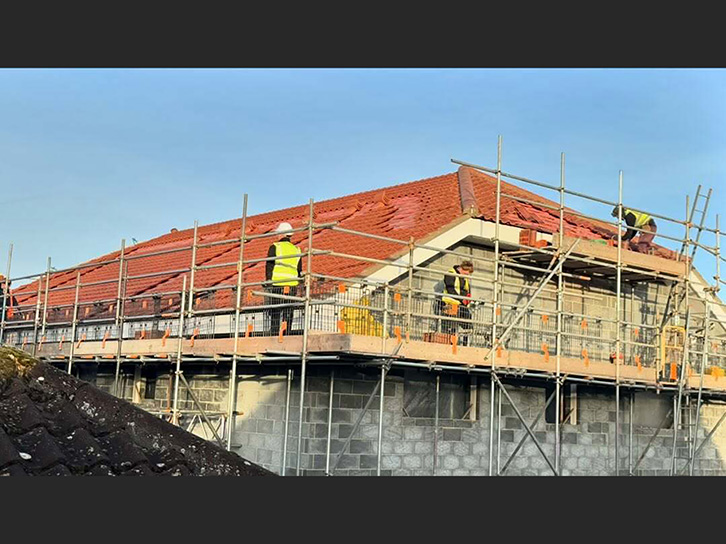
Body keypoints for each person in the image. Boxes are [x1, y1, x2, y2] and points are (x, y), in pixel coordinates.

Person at [265, 222, 302, 336]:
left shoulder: (275, 247)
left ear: (281, 234)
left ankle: (275, 334)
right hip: (292, 286)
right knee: (288, 311)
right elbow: (299, 269)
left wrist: (268, 282)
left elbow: (269, 266)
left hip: (277, 285)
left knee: (275, 311)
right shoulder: (297, 250)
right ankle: (286, 334)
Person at [435, 260, 474, 344]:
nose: (467, 275)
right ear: (462, 269)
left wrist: (468, 297)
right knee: (450, 326)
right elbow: (450, 290)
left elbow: (466, 289)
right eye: (466, 273)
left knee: (468, 325)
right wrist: (461, 299)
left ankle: (465, 343)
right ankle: (450, 343)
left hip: (461, 305)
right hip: (450, 303)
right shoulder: (451, 274)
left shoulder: (464, 277)